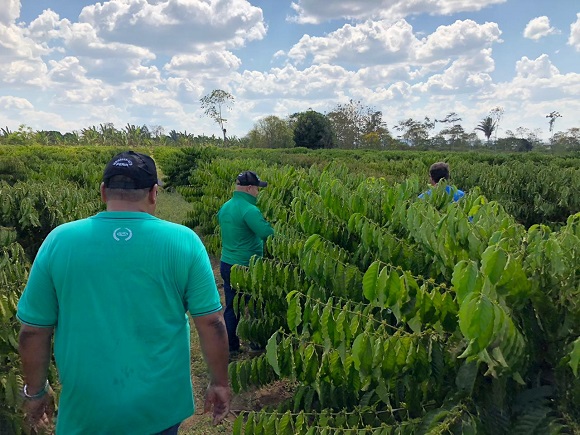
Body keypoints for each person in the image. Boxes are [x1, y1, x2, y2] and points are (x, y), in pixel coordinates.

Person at [17, 151, 231, 434]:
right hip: (159, 407)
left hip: (87, 407)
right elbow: (212, 322)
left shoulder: (60, 239)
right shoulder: (184, 241)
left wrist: (35, 392)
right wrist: (219, 382)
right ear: (154, 194)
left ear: (103, 191)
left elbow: (33, 330)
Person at [218, 170, 274, 354]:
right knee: (255, 305)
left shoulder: (225, 207)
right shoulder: (249, 210)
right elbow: (267, 234)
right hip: (246, 266)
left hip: (226, 263)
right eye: (257, 189)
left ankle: (231, 346)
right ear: (250, 188)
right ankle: (256, 344)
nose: (258, 193)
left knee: (232, 307)